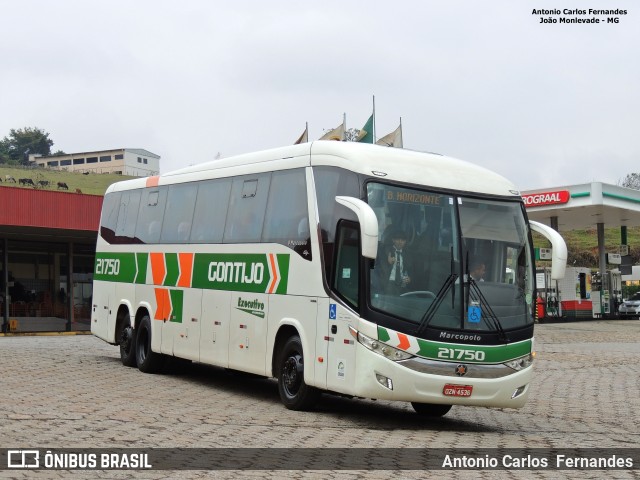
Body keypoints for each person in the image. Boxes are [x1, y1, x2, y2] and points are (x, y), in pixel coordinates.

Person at [378, 229, 412, 295]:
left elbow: (411, 269)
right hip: (389, 283)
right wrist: (387, 262)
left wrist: (410, 278)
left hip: (402, 284)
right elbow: (379, 266)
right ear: (393, 240)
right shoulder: (385, 250)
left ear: (405, 241)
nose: (400, 242)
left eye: (403, 240)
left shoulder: (407, 254)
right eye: (397, 239)